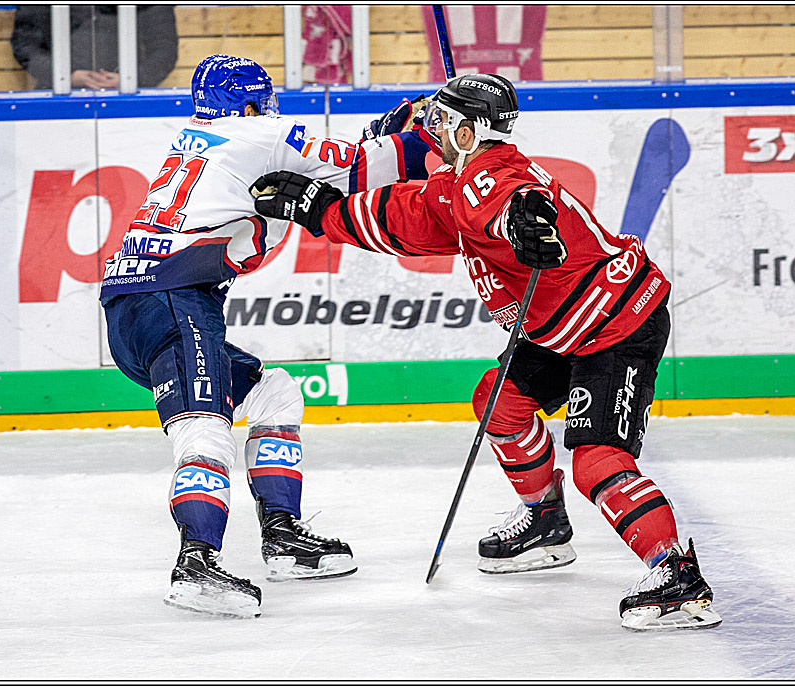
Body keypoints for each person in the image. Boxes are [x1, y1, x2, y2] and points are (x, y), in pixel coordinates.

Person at [249, 74, 723, 631]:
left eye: (444, 122)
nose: (433, 129)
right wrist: (317, 208)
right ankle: (546, 522)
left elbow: (511, 200)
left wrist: (524, 222)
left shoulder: (490, 175)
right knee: (499, 405)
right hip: (559, 329)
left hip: (616, 323)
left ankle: (676, 576)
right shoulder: (454, 184)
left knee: (596, 458)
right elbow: (396, 219)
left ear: (469, 131)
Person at [99, 55, 431, 618]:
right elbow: (361, 167)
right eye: (267, 100)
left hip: (136, 305)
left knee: (273, 392)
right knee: (204, 430)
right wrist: (438, 131)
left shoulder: (207, 138)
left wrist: (391, 126)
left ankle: (282, 535)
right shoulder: (263, 132)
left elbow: (332, 164)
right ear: (252, 103)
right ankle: (196, 562)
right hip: (174, 299)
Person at [11, 5, 178, 90]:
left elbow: (164, 48)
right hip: (60, 97)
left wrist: (131, 79)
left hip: (126, 98)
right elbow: (26, 46)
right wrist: (65, 76)